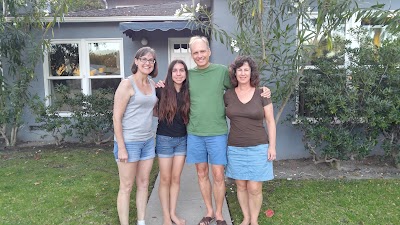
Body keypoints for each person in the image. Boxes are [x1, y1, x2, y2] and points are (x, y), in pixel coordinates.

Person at [185, 36, 271, 225]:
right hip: (195, 132)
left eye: (202, 51)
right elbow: (173, 89)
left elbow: (244, 84)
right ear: (191, 55)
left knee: (217, 175)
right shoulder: (188, 75)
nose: (199, 55)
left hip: (217, 132)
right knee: (201, 173)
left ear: (209, 51)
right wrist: (159, 85)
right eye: (195, 52)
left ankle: (219, 214)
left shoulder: (222, 72)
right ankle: (208, 211)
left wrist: (263, 91)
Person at [224, 56, 276, 225]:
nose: (243, 73)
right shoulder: (228, 95)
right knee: (241, 186)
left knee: (254, 187)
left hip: (258, 147)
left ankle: (254, 220)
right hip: (235, 147)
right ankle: (246, 218)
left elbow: (270, 121)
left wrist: (272, 146)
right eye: (239, 70)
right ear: (235, 73)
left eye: (246, 69)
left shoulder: (262, 93)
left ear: (251, 72)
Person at [113, 47, 158, 225]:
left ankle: (141, 221)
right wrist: (121, 147)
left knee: (144, 183)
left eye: (151, 60)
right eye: (144, 59)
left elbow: (151, 110)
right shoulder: (127, 84)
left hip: (147, 141)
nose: (147, 63)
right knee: (126, 186)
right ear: (136, 61)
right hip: (129, 142)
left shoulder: (152, 84)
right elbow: (116, 117)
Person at [155, 60, 190, 225]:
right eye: (175, 70)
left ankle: (173, 213)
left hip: (182, 140)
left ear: (185, 73)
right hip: (164, 140)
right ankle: (166, 218)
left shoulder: (188, 92)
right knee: (165, 179)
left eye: (181, 70)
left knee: (176, 179)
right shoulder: (161, 90)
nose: (178, 73)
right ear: (170, 73)